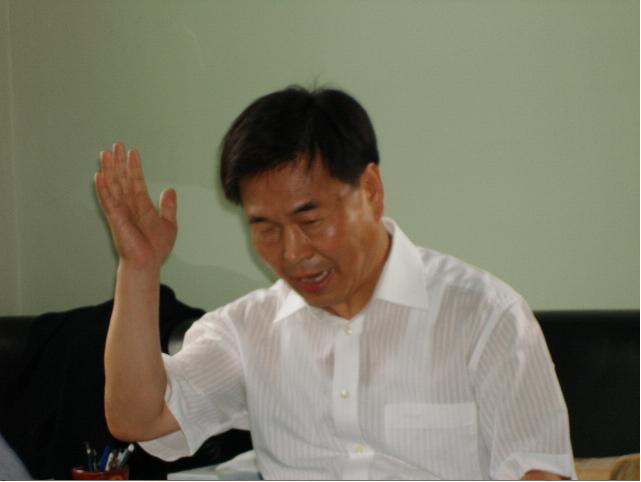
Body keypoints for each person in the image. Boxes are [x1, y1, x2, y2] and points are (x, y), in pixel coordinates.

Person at [94, 86, 575, 480]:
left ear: (370, 190)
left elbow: (539, 471)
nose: (292, 253)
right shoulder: (248, 330)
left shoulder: (482, 315)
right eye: (265, 228)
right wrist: (139, 268)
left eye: (311, 221)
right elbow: (138, 418)